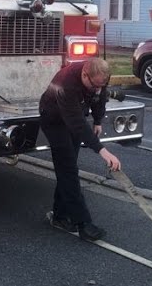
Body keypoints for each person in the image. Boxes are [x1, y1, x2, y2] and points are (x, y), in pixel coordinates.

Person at [39, 57, 121, 241]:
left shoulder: (98, 79)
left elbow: (99, 98)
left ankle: (59, 216)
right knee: (68, 169)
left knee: (67, 169)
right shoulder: (65, 84)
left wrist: (98, 120)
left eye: (102, 85)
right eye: (94, 86)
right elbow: (77, 124)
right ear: (85, 75)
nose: (98, 90)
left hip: (74, 116)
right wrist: (102, 150)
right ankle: (83, 223)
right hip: (54, 120)